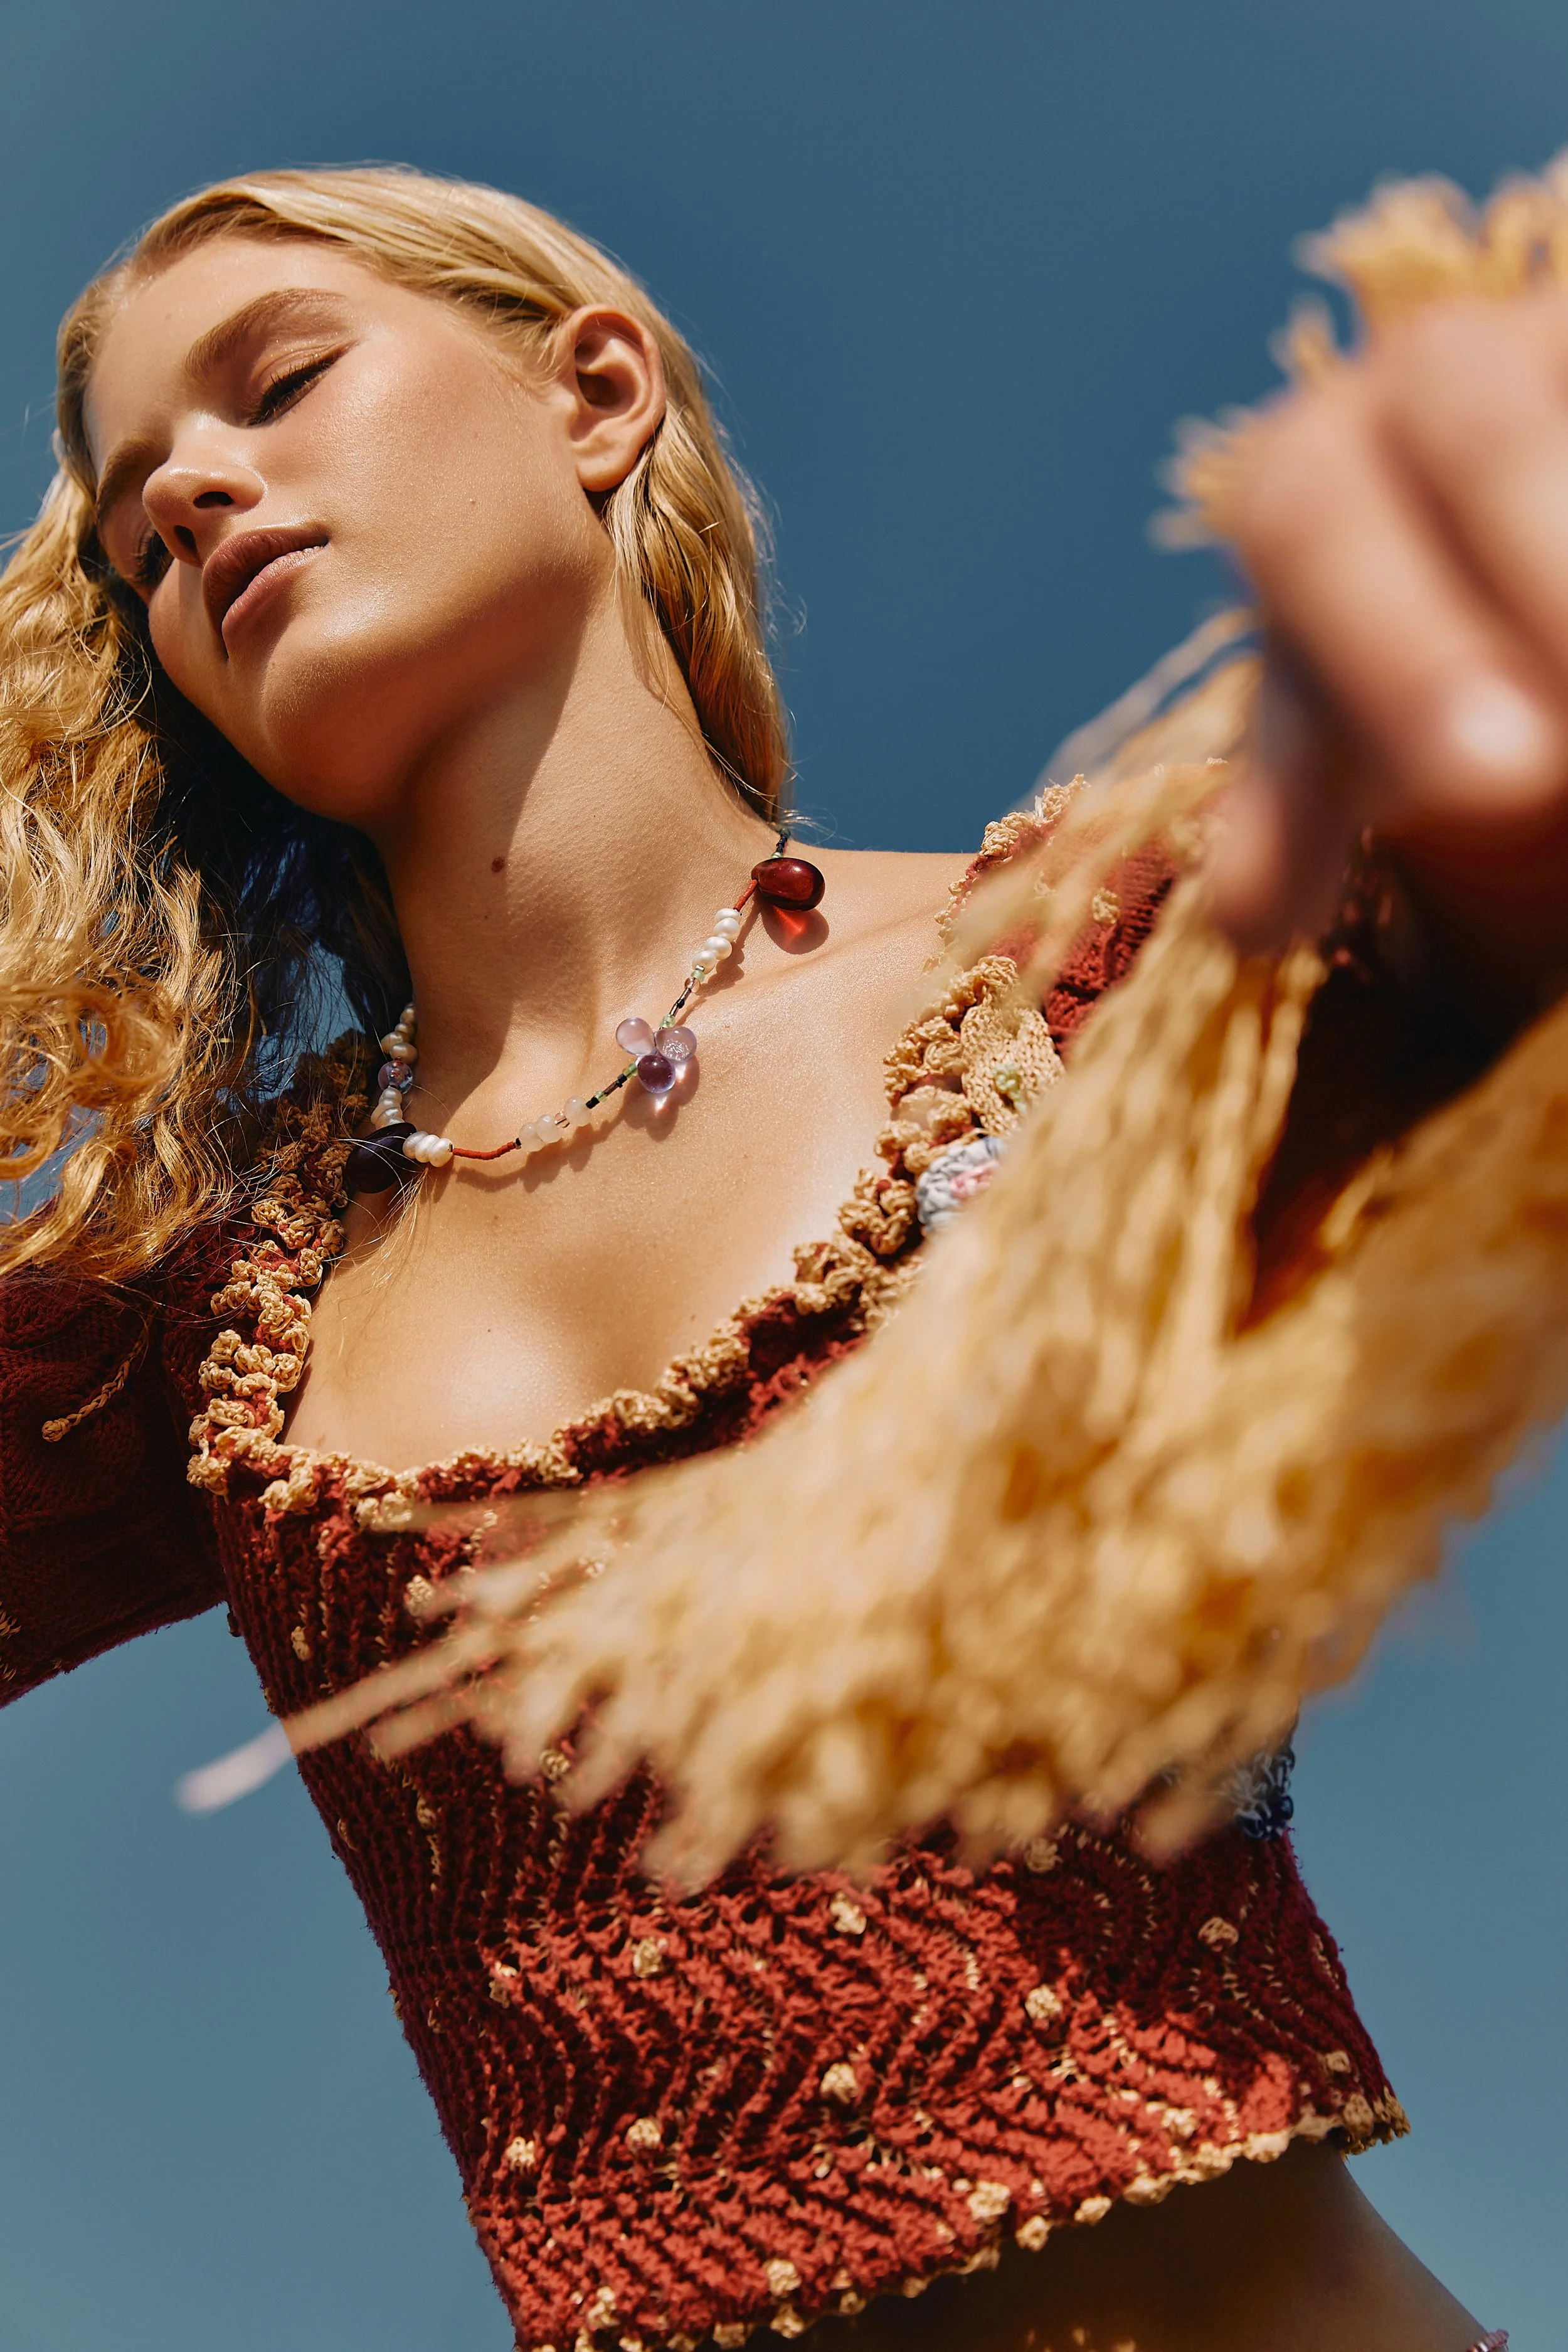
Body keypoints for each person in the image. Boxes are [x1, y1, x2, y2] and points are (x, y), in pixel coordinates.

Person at [0, 161, 1544, 2349]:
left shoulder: (1106, 956)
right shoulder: (209, 1304)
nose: (207, 504)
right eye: (141, 532)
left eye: (282, 380)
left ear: (595, 393)